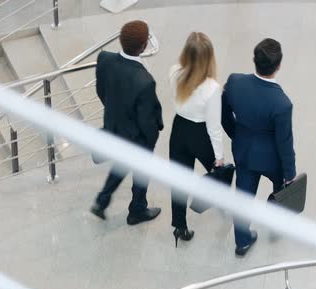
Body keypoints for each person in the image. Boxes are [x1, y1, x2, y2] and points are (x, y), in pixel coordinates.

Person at [221, 38, 296, 256]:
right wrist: (289, 174)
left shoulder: (235, 82)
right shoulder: (282, 103)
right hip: (273, 159)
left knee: (243, 197)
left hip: (243, 151)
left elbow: (223, 112)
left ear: (254, 60)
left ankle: (242, 241)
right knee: (279, 191)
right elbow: (285, 142)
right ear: (279, 65)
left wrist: (235, 134)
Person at [90, 20, 164, 225]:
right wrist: (152, 138)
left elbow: (101, 91)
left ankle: (102, 200)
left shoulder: (104, 59)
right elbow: (147, 121)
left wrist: (114, 112)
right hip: (136, 136)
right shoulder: (145, 81)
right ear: (143, 46)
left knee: (122, 163)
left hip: (114, 126)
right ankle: (137, 210)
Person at [168, 32, 224, 247]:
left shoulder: (174, 72)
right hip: (200, 134)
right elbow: (214, 127)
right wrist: (219, 156)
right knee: (219, 173)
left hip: (179, 129)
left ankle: (179, 225)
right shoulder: (212, 88)